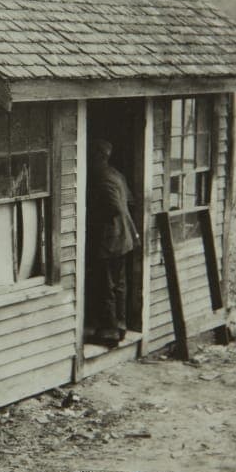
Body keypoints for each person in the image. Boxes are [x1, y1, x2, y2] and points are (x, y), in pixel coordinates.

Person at [87, 138, 140, 347]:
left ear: (100, 156)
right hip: (124, 239)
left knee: (105, 286)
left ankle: (109, 332)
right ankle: (120, 326)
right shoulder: (116, 174)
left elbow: (115, 207)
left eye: (94, 155)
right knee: (119, 285)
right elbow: (130, 201)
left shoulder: (101, 177)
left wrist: (92, 216)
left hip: (110, 240)